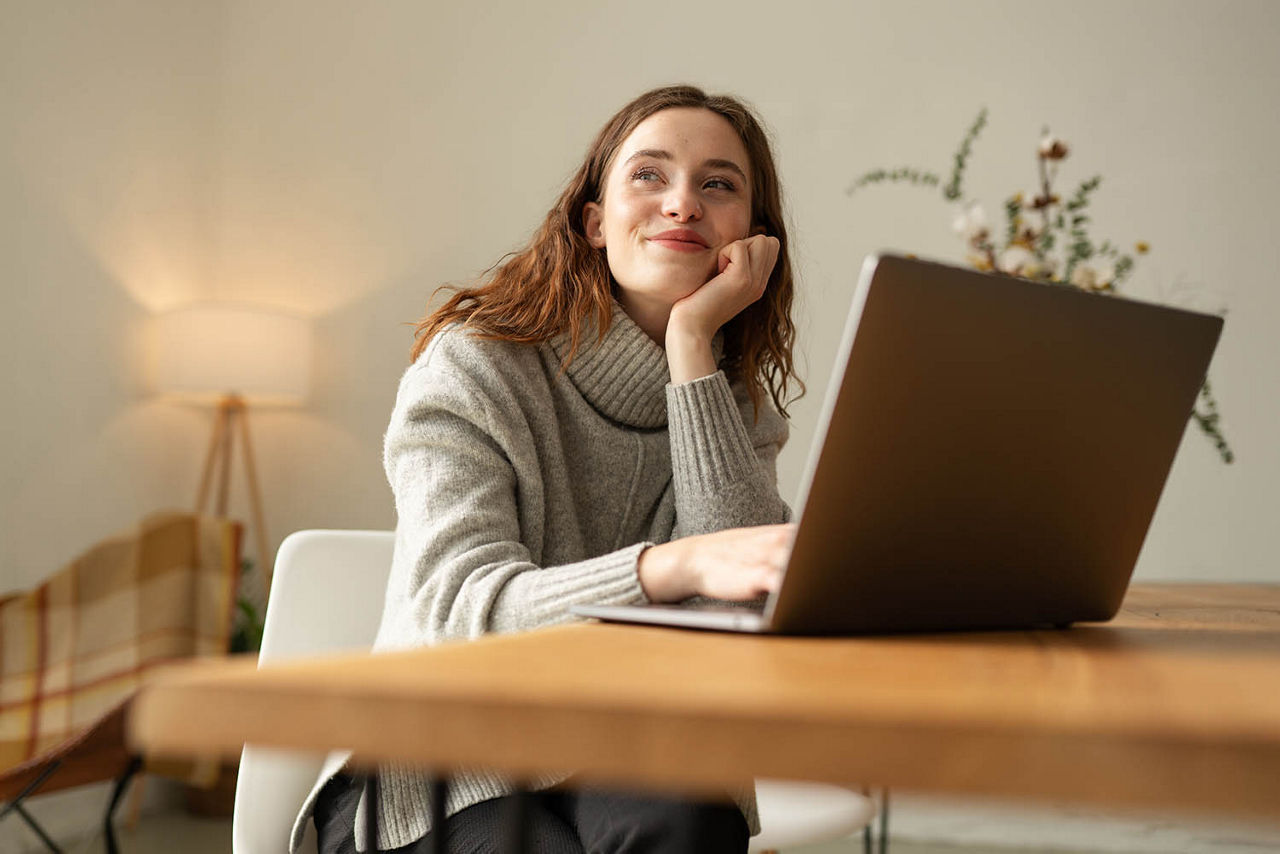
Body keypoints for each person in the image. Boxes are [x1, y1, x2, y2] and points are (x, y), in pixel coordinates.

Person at [291, 84, 804, 854]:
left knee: (692, 818)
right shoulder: (475, 367)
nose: (682, 204)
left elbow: (740, 624)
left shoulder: (734, 410)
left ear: (752, 241)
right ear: (595, 223)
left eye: (718, 184)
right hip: (439, 771)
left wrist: (693, 346)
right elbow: (456, 618)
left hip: (627, 751)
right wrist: (672, 566)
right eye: (648, 176)